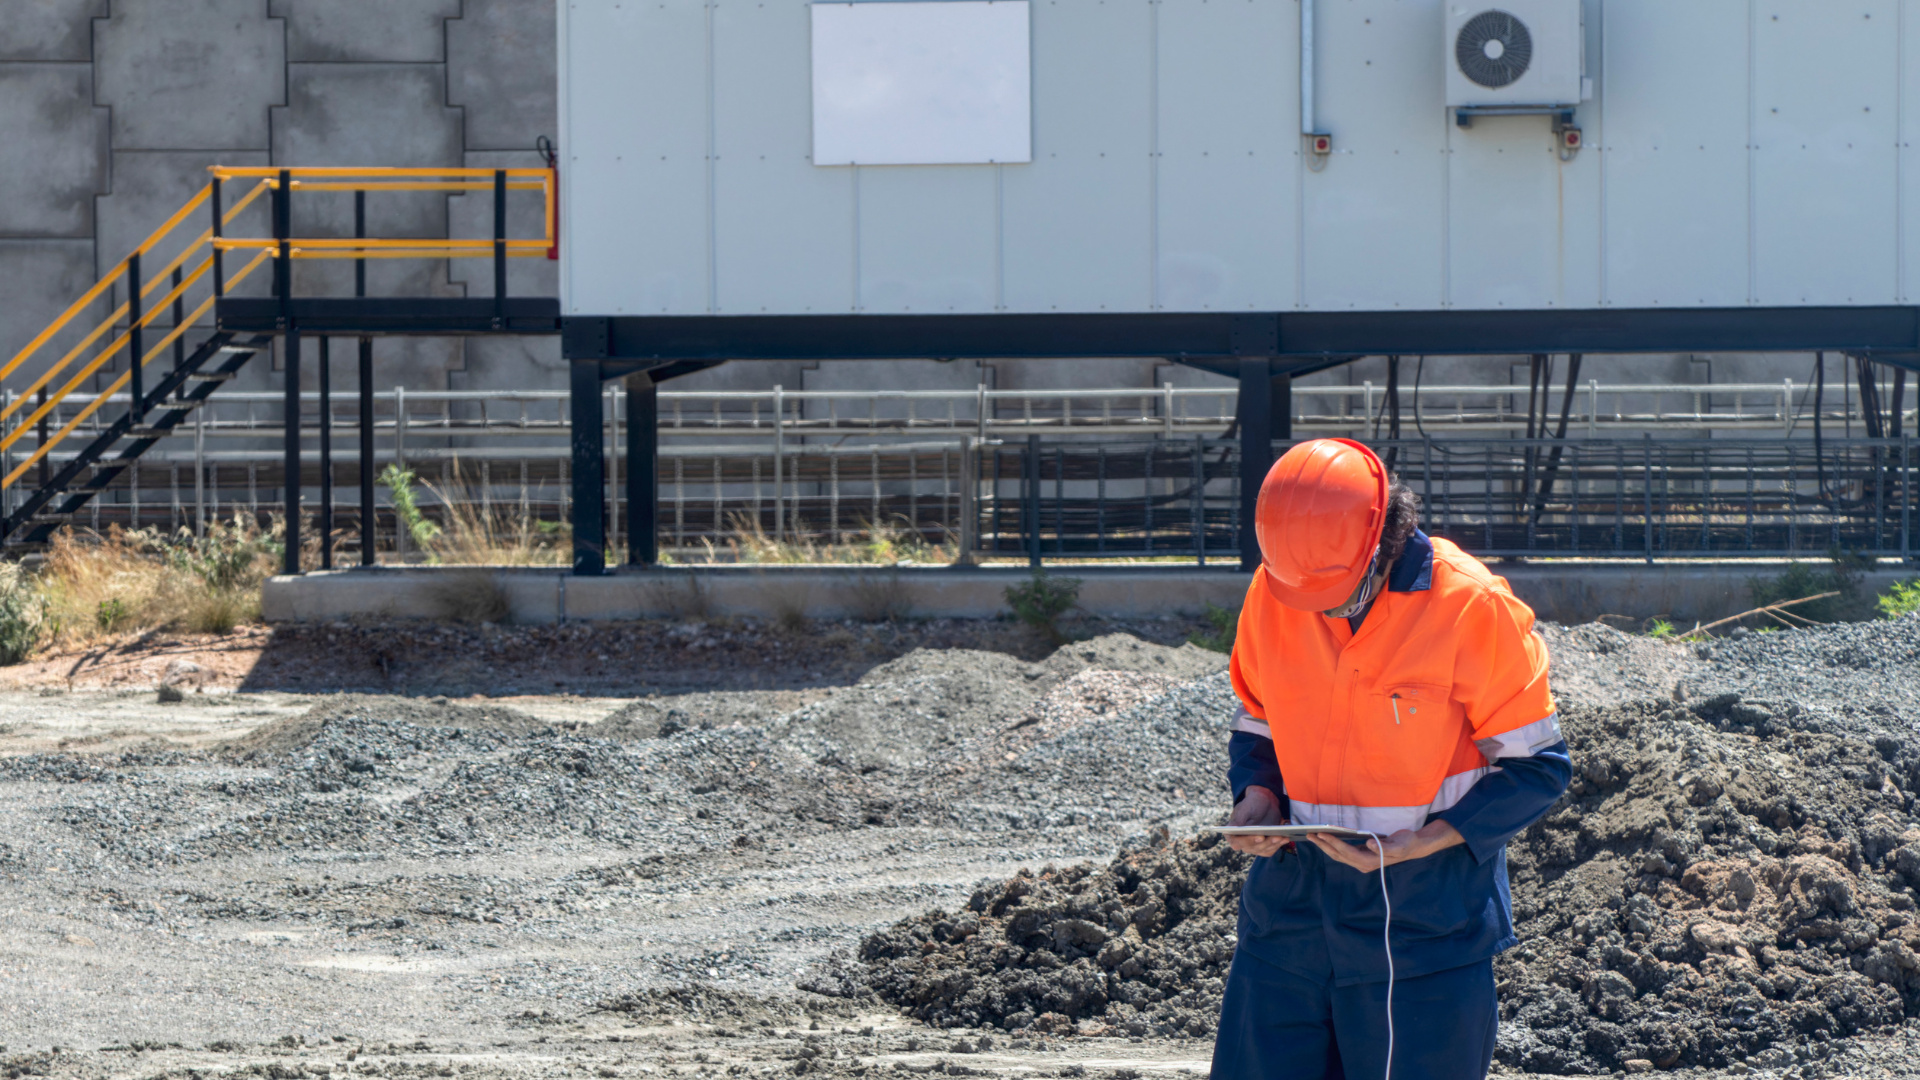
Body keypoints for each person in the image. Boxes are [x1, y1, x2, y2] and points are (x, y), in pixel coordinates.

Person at [1211, 438, 1572, 1080]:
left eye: (1337, 597)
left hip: (1419, 924)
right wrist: (1258, 795)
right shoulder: (1278, 591)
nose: (1319, 610)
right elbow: (1258, 718)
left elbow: (1537, 768)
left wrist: (1425, 841)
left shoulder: (1469, 607)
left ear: (1385, 542)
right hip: (1290, 918)